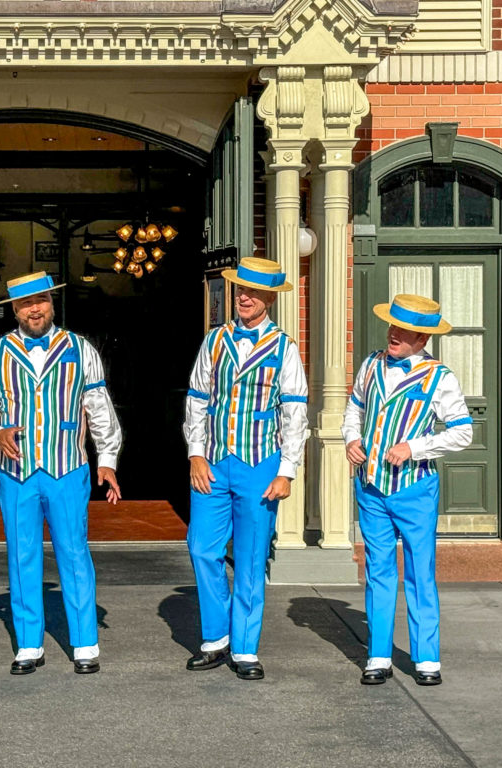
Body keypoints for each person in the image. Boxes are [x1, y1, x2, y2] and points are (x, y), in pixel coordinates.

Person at [0, 271, 122, 675]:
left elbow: (98, 406)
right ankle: (28, 644)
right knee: (22, 556)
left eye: (41, 301)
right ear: (14, 310)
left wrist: (107, 458)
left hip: (66, 467)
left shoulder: (80, 349)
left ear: (52, 303)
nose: (34, 310)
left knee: (74, 553)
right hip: (15, 471)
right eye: (25, 304)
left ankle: (85, 642)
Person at [183, 257, 308, 681]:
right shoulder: (215, 340)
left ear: (269, 299)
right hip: (213, 462)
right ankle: (216, 638)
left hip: (260, 464)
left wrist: (286, 471)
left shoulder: (285, 348)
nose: (245, 298)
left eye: (254, 292)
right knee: (202, 547)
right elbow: (197, 399)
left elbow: (294, 413)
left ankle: (245, 648)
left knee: (252, 558)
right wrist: (195, 453)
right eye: (241, 290)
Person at [341, 293, 473, 686]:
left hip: (415, 488)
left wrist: (414, 447)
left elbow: (463, 433)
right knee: (378, 571)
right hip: (371, 488)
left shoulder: (440, 377)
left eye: (405, 330)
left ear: (423, 338)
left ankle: (427, 659)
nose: (394, 334)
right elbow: (355, 408)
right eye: (393, 326)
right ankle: (378, 656)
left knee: (419, 571)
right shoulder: (371, 364)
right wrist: (351, 439)